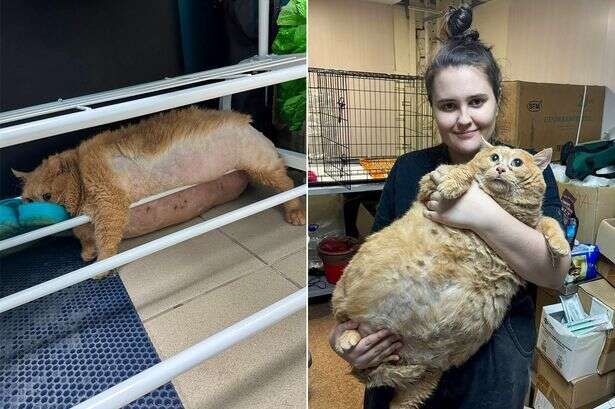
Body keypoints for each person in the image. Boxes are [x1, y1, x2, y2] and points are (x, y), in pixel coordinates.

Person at [328, 4, 571, 409]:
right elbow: (374, 262)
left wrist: (479, 213)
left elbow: (554, 273)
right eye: (448, 106)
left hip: (491, 350)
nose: (464, 119)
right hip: (399, 342)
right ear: (433, 108)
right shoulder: (409, 169)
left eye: (477, 101)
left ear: (497, 101)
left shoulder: (527, 169)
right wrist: (341, 335)